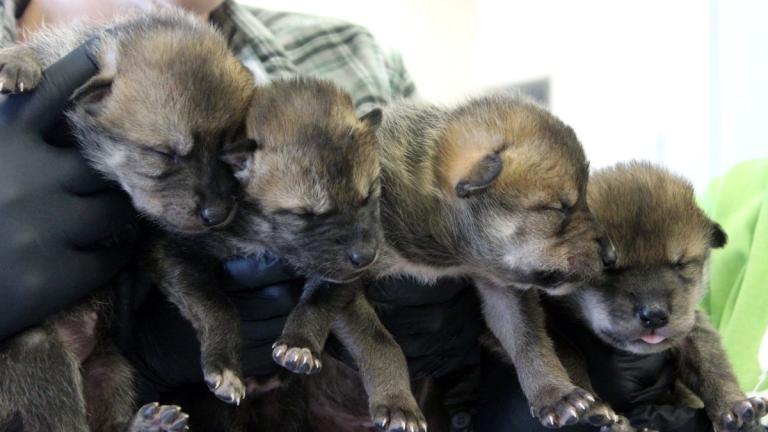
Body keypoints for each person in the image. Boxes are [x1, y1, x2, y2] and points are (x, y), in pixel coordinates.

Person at [0, 0, 482, 425]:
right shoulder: (38, 62)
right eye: (168, 158)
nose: (212, 199)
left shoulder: (353, 50)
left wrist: (470, 346)